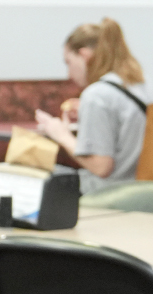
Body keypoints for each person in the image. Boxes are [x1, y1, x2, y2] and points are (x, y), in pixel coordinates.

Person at [34, 19, 150, 194]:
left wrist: (61, 135)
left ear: (84, 56)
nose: (69, 73)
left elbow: (101, 167)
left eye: (69, 62)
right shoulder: (143, 84)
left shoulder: (96, 95)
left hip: (109, 192)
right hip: (144, 190)